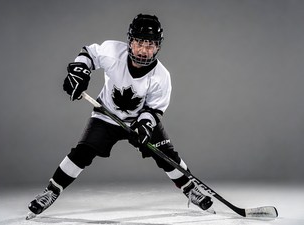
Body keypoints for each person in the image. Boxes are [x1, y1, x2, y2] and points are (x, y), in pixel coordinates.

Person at [26, 13, 213, 219]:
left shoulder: (161, 76)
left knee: (167, 156)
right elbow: (89, 54)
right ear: (129, 41)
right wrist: (79, 72)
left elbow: (154, 109)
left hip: (138, 121)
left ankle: (190, 188)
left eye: (149, 45)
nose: (143, 50)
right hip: (107, 116)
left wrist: (144, 125)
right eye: (139, 43)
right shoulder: (113, 52)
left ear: (158, 46)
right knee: (82, 153)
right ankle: (51, 191)